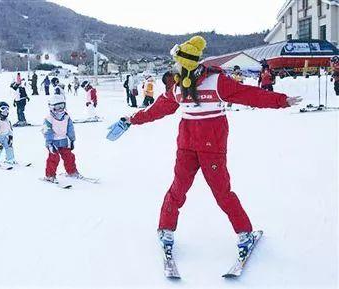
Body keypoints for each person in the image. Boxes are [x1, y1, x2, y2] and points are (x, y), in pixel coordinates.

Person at [106, 36, 302, 266]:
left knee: (222, 193)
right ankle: (166, 229)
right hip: (186, 146)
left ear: (187, 63)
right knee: (178, 189)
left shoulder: (217, 81)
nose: (175, 67)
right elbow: (158, 108)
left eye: (178, 62)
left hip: (212, 148)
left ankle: (244, 233)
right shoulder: (179, 87)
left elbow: (250, 95)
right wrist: (131, 119)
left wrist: (282, 100)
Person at [42, 95, 81, 183]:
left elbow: (70, 129)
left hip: (64, 141)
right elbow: (47, 131)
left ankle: (72, 171)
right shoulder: (49, 119)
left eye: (62, 106)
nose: (60, 109)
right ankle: (50, 175)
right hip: (53, 142)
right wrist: (49, 143)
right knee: (54, 158)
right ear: (52, 107)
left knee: (69, 157)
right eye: (57, 106)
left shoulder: (67, 117)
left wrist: (72, 140)